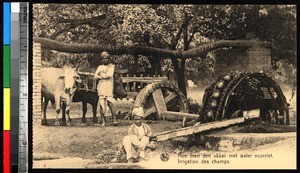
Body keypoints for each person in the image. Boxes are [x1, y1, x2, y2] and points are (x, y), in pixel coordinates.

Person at [94, 51, 115, 126]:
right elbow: (95, 76)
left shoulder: (111, 66)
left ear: (108, 59)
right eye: (102, 59)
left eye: (105, 59)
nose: (104, 60)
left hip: (108, 86)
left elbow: (108, 75)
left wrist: (100, 74)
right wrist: (100, 75)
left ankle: (114, 119)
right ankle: (103, 121)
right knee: (101, 103)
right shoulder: (100, 67)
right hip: (101, 86)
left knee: (110, 102)